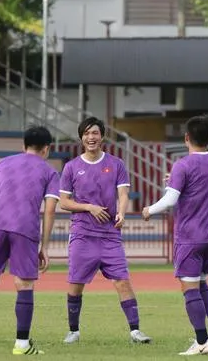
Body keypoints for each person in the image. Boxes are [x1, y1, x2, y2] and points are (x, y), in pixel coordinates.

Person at [0, 126, 60, 356]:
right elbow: (49, 210)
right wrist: (44, 246)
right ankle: (21, 344)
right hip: (25, 229)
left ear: (24, 145)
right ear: (47, 149)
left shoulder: (2, 163)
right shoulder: (50, 172)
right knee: (24, 285)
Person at [59, 117, 152, 345]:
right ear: (81, 137)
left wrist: (121, 212)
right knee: (75, 283)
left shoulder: (116, 164)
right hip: (82, 233)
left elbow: (123, 194)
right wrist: (88, 207)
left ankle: (135, 331)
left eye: (95, 133)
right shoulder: (71, 167)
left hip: (110, 235)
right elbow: (63, 202)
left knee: (123, 281)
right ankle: (73, 331)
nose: (91, 137)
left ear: (102, 137)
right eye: (87, 133)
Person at [141, 114, 208, 355]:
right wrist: (175, 180)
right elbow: (195, 186)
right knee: (202, 283)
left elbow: (171, 199)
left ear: (187, 137)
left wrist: (149, 210)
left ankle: (200, 342)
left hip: (190, 236)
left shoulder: (183, 164)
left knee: (189, 289)